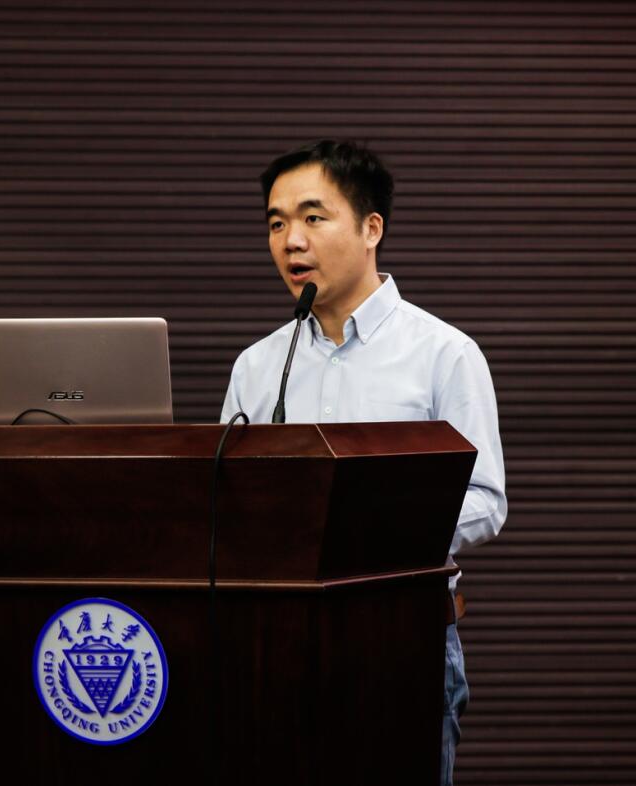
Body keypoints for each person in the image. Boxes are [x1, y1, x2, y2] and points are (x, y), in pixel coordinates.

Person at [220, 140, 507, 784]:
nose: (291, 241)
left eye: (312, 217)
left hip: (402, 642)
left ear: (371, 227)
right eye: (276, 223)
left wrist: (367, 535)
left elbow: (485, 501)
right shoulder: (257, 366)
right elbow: (227, 503)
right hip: (273, 643)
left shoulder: (443, 354)